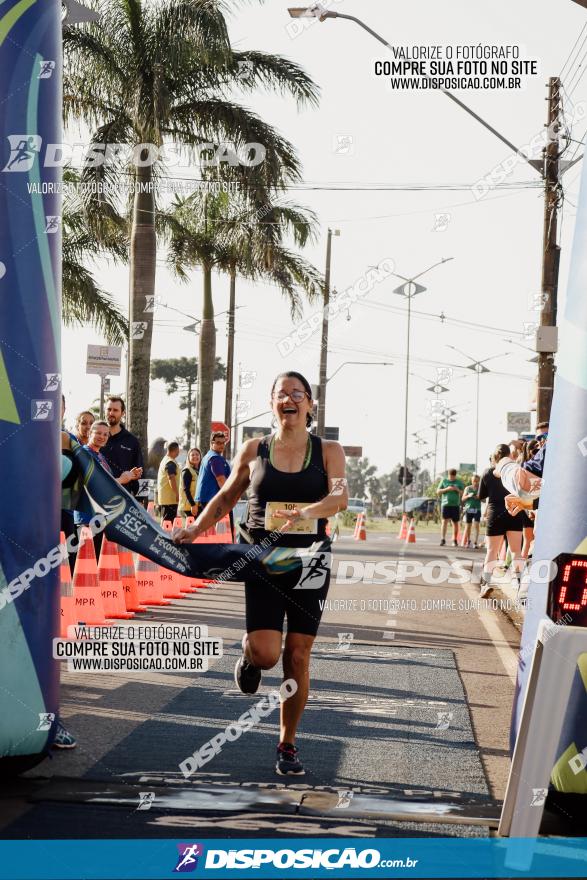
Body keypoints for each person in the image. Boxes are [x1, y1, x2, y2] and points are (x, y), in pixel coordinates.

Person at [173, 371, 348, 777]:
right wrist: (195, 529)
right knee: (268, 654)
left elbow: (339, 497)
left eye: (296, 394)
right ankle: (249, 658)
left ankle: (287, 744)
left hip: (310, 561)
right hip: (264, 560)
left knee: (298, 656)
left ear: (309, 404)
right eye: (281, 394)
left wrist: (306, 512)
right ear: (272, 403)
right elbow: (227, 495)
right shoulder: (255, 449)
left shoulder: (328, 450)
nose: (289, 399)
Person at [74, 420, 142, 559]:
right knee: (87, 565)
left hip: (100, 518)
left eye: (105, 434)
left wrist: (128, 476)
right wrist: (123, 479)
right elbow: (96, 486)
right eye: (98, 433)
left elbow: (107, 484)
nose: (102, 437)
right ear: (89, 433)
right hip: (88, 518)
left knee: (98, 562)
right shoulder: (85, 455)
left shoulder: (100, 456)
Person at [478, 444, 524, 598]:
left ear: (495, 457)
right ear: (509, 455)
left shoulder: (487, 473)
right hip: (513, 511)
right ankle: (519, 586)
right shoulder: (516, 470)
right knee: (517, 551)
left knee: (491, 551)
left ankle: (486, 585)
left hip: (494, 513)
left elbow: (480, 496)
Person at [102, 397, 143, 496]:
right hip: (98, 496)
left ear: (123, 413)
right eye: (109, 409)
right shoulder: (96, 438)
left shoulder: (132, 441)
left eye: (115, 410)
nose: (111, 413)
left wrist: (141, 500)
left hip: (122, 499)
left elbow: (140, 474)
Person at [194, 431, 231, 516]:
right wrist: (229, 496)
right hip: (213, 499)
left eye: (223, 443)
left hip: (207, 499)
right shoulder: (215, 458)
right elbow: (221, 479)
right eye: (218, 443)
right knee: (223, 527)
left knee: (210, 528)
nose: (221, 445)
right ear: (212, 443)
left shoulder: (208, 456)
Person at [436, 468, 464, 546]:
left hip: (455, 505)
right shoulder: (444, 481)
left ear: (455, 475)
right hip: (445, 505)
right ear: (448, 475)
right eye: (451, 476)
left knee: (455, 523)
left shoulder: (459, 482)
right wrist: (446, 489)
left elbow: (463, 493)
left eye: (453, 476)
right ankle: (443, 539)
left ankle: (455, 540)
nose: (452, 478)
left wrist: (457, 489)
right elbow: (438, 491)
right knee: (444, 522)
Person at [157, 441, 181, 525]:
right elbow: (171, 478)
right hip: (169, 500)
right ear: (176, 450)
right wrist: (177, 494)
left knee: (166, 524)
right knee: (168, 525)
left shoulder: (165, 460)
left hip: (165, 499)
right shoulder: (170, 462)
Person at [178, 447, 202, 521]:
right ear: (188, 457)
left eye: (197, 454)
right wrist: (193, 505)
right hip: (189, 507)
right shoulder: (187, 471)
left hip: (198, 505)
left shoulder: (199, 471)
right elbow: (186, 490)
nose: (195, 456)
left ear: (200, 456)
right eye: (192, 455)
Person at [462, 474, 481, 549]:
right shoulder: (468, 488)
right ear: (471, 481)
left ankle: (475, 542)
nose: (475, 483)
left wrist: (479, 497)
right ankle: (468, 541)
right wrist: (468, 496)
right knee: (468, 526)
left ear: (479, 481)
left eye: (476, 481)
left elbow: (484, 500)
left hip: (477, 509)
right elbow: (462, 499)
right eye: (474, 481)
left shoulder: (480, 488)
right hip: (469, 509)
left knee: (476, 525)